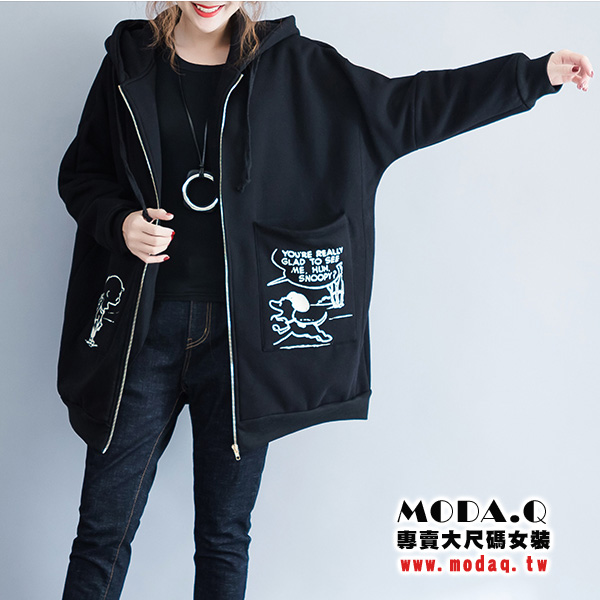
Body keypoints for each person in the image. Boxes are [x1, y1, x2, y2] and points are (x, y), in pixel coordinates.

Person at [57, 1, 593, 598]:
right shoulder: (130, 63)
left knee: (224, 537)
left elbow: (409, 107)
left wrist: (531, 75)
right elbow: (81, 174)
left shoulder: (298, 67)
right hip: (142, 332)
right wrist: (120, 223)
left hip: (246, 346)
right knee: (102, 532)